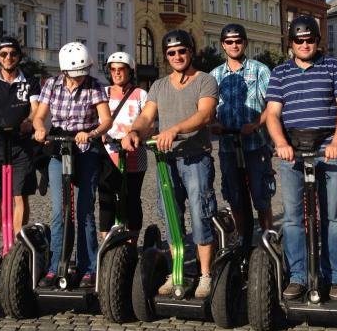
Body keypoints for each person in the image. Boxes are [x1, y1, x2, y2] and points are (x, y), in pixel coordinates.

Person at [121, 30, 219, 299]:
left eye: (182, 51)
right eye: (171, 52)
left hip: (195, 158)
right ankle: (177, 271)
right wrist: (134, 132)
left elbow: (204, 114)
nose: (177, 56)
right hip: (166, 160)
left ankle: (205, 275)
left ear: (191, 51)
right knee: (171, 218)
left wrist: (174, 129)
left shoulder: (205, 81)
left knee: (200, 215)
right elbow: (146, 116)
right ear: (166, 56)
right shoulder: (159, 86)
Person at [264, 15, 337, 301]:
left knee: (332, 217)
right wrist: (280, 142)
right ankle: (298, 276)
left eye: (310, 39)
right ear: (291, 43)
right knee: (292, 219)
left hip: (327, 150)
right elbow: (273, 114)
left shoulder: (333, 67)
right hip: (292, 153)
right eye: (299, 40)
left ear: (317, 41)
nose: (305, 44)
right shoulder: (280, 73)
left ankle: (335, 277)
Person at [32, 42, 112, 289]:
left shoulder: (95, 86)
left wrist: (91, 132)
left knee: (84, 211)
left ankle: (89, 267)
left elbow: (106, 120)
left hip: (85, 150)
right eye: (74, 75)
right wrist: (39, 128)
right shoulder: (52, 85)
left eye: (82, 74)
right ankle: (56, 265)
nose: (79, 80)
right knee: (60, 211)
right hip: (59, 148)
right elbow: (39, 115)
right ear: (64, 72)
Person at [0, 36, 40, 265]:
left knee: (20, 195)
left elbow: (35, 109)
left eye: (12, 54)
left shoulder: (29, 81)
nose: (8, 58)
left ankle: (17, 247)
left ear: (19, 56)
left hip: (21, 144)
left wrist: (29, 121)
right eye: (3, 54)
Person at [210, 23, 275, 234]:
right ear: (223, 45)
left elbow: (273, 105)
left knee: (261, 196)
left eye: (238, 41)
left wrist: (256, 124)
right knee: (234, 197)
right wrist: (214, 123)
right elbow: (207, 109)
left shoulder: (260, 70)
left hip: (256, 144)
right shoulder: (214, 75)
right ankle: (242, 239)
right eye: (229, 42)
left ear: (245, 43)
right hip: (229, 146)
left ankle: (268, 240)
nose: (234, 45)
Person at [99, 52, 148, 240]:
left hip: (134, 154)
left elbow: (149, 123)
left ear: (130, 71)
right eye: (113, 69)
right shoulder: (103, 93)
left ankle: (132, 241)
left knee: (132, 198)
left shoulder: (140, 94)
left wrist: (138, 134)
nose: (117, 73)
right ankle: (106, 242)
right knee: (106, 197)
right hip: (107, 153)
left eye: (121, 69)